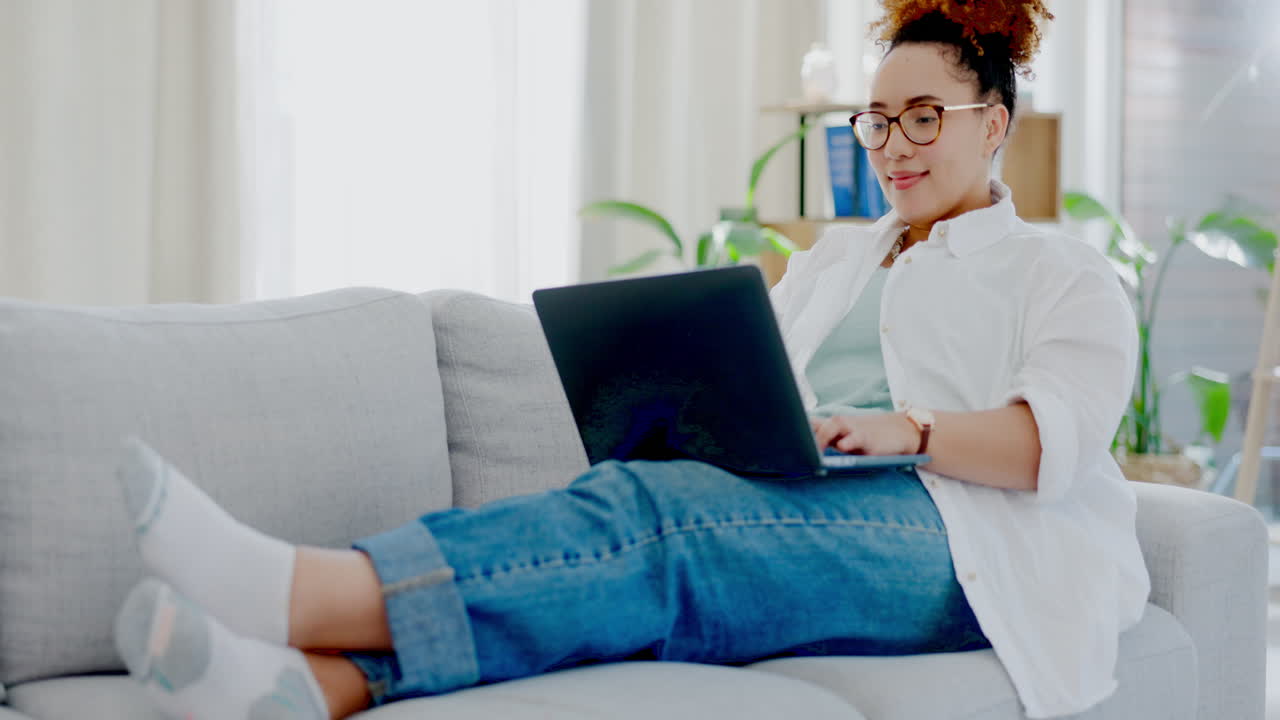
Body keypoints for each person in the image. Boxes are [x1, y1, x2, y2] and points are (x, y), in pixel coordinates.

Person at [111, 1, 1148, 718]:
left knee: (658, 527)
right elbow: (764, 389)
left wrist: (907, 429)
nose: (892, 145)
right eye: (876, 121)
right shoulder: (835, 259)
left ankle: (298, 590)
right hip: (817, 503)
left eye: (923, 118)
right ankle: (320, 689)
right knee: (644, 536)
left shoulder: (1058, 272)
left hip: (964, 548)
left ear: (993, 124)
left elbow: (1041, 445)